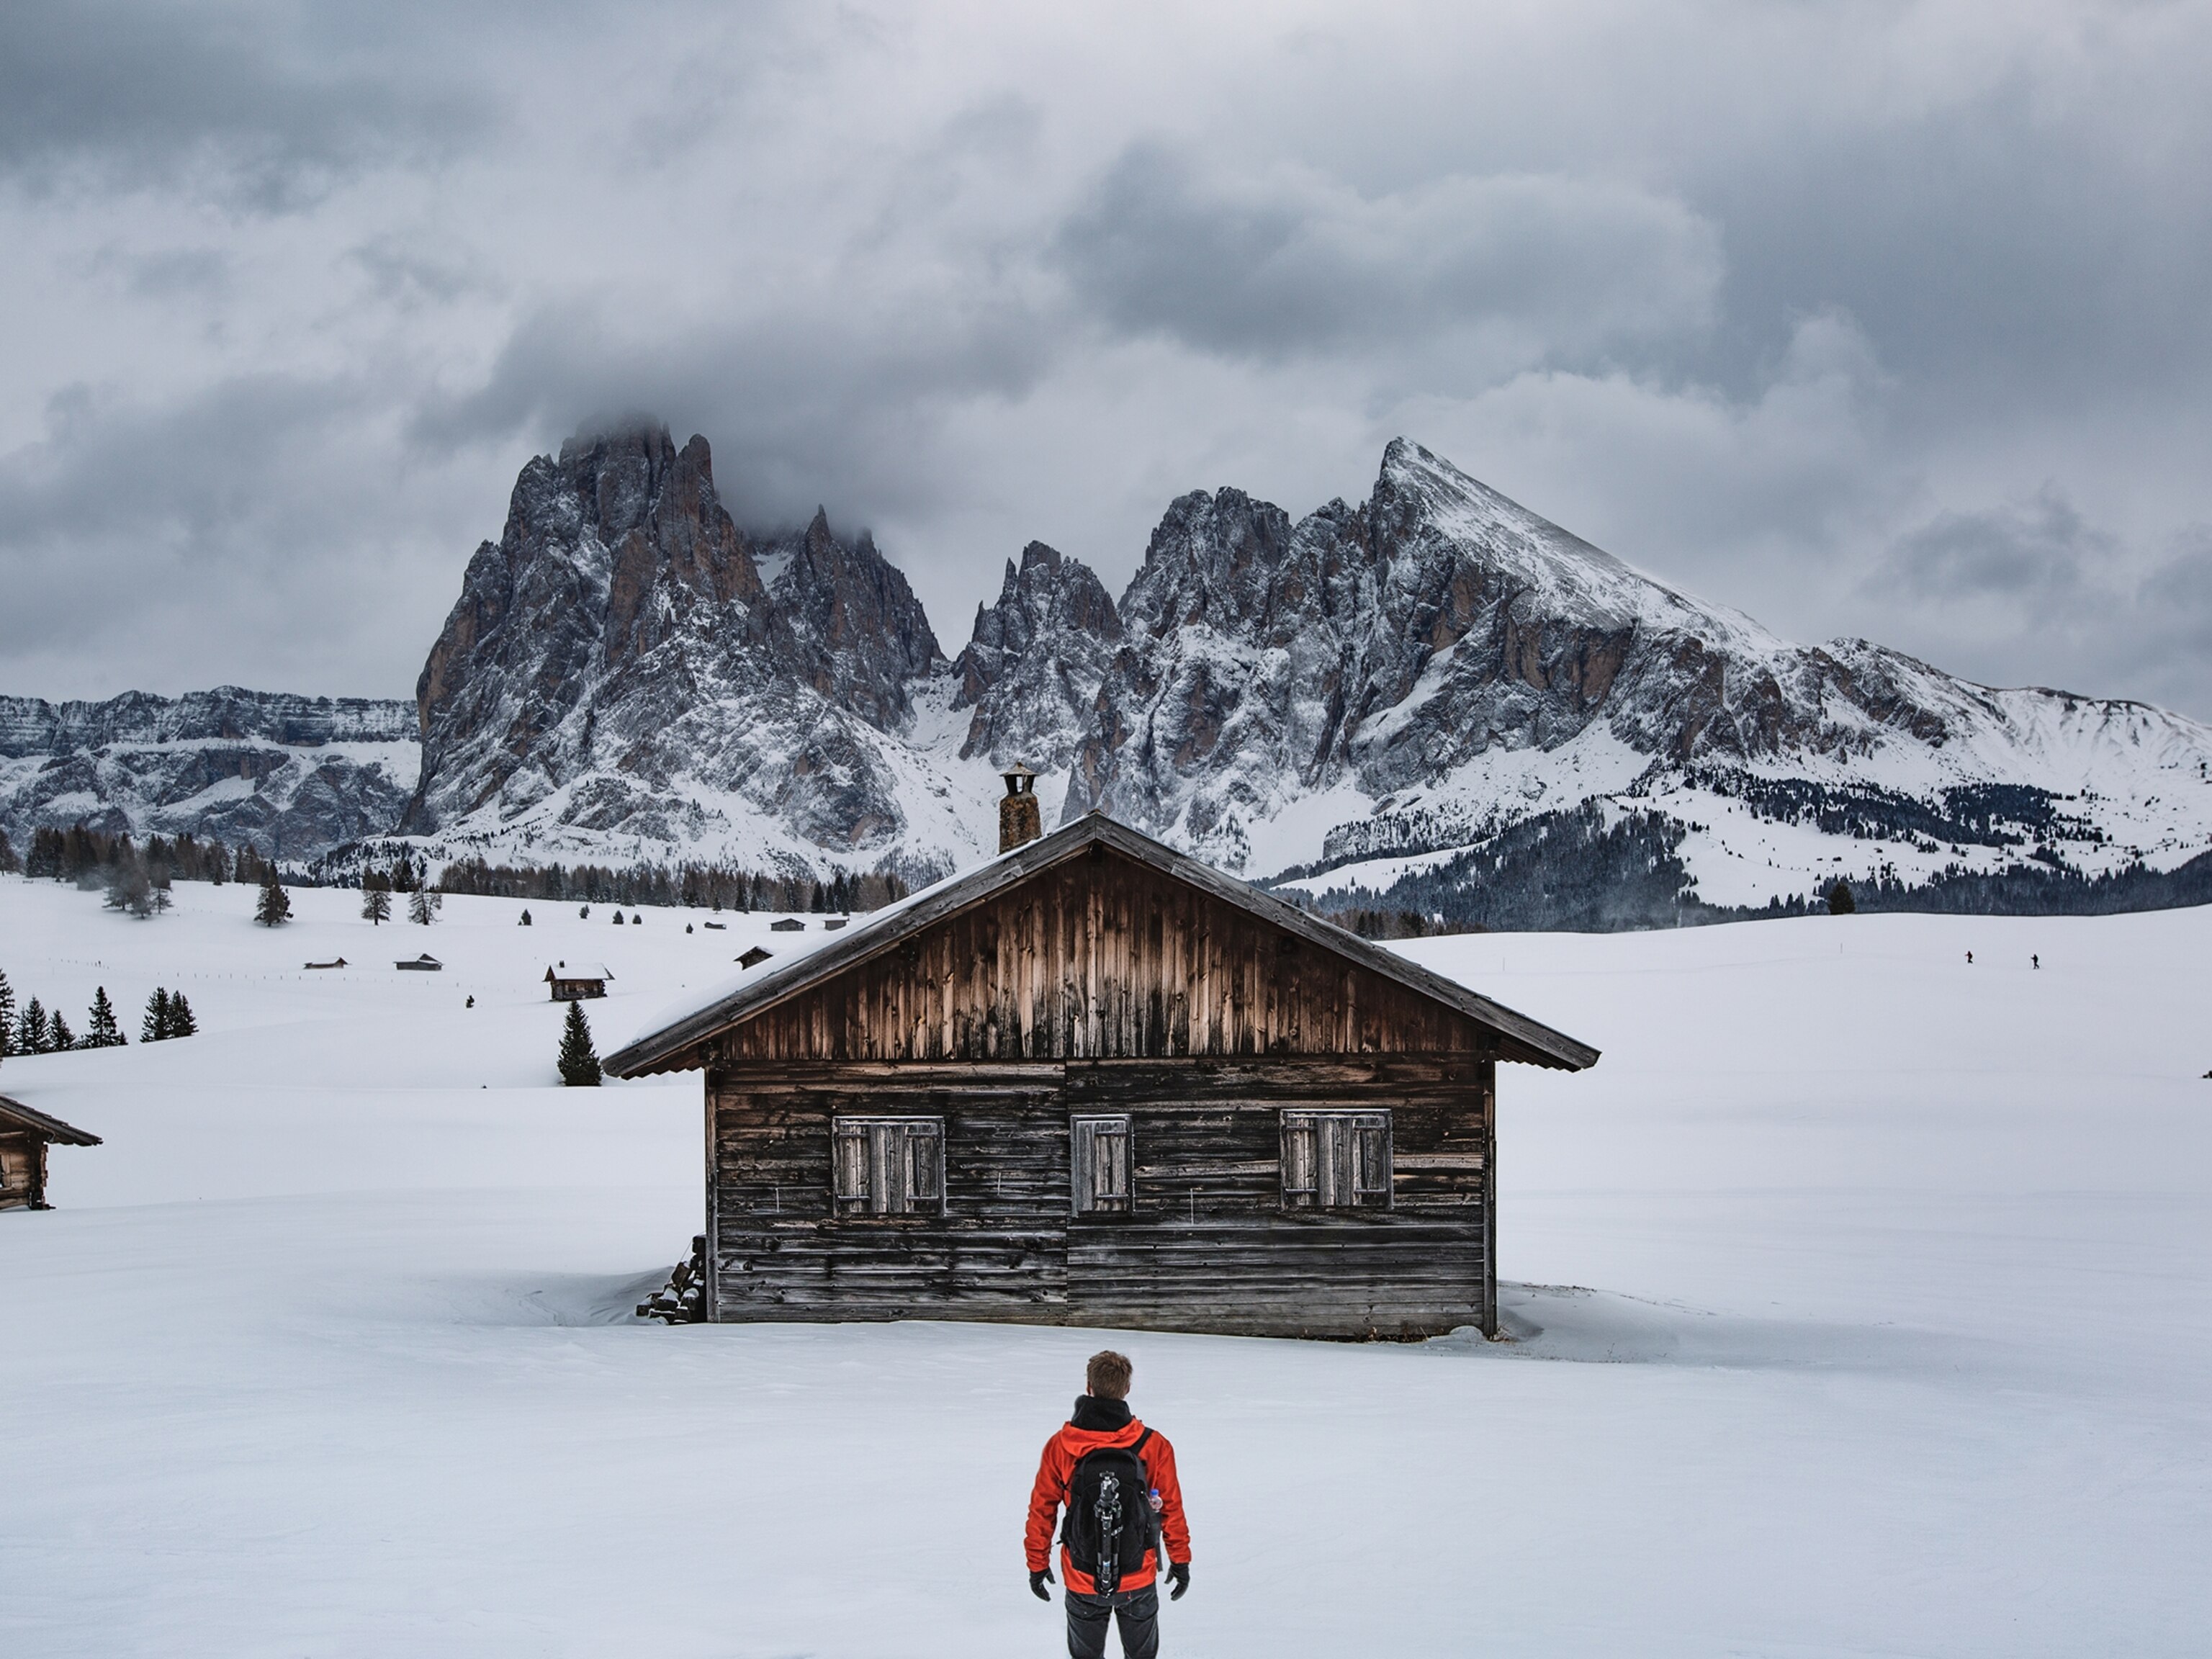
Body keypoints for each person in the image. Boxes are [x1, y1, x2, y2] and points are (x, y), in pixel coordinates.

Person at [1026, 1350, 1191, 1659]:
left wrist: (1037, 1563)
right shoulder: (1154, 1446)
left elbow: (1042, 1510)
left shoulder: (1061, 1446)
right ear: (1127, 1389)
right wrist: (1180, 1561)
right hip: (1138, 1574)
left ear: (1089, 1386)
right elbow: (1171, 1509)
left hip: (1080, 1574)